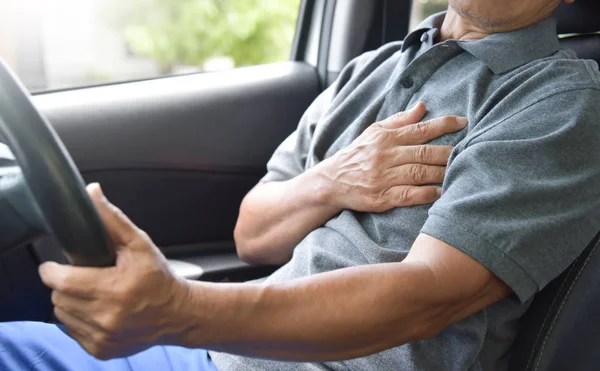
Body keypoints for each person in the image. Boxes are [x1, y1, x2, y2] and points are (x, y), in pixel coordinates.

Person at [1, 0, 599, 370]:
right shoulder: (372, 69)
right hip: (220, 356)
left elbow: (431, 295)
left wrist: (178, 309)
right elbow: (252, 235)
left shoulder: (559, 100)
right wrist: (332, 181)